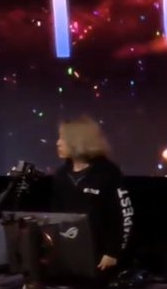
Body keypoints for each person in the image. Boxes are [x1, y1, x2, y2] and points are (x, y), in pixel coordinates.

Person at [51, 116, 134, 273]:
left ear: (78, 140)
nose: (58, 143)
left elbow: (124, 216)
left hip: (101, 259)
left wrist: (113, 252)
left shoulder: (108, 172)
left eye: (63, 138)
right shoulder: (61, 175)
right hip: (69, 256)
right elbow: (55, 215)